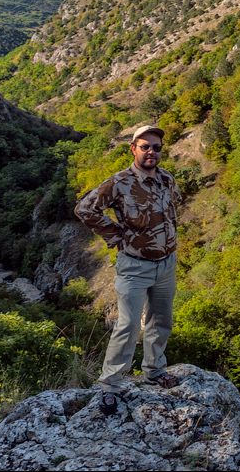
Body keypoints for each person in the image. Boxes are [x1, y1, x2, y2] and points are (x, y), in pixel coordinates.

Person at [75, 125, 183, 415]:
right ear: (133, 149)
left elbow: (174, 210)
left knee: (161, 321)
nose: (151, 152)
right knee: (128, 326)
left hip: (167, 264)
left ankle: (155, 372)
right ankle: (110, 385)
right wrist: (115, 236)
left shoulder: (167, 179)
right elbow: (85, 209)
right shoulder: (119, 182)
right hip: (134, 266)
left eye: (156, 147)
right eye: (145, 146)